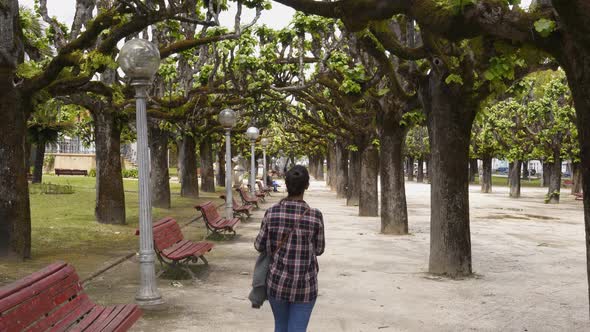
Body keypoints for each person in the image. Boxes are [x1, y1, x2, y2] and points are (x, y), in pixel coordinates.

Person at [255, 165, 325, 332]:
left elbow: (259, 245)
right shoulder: (315, 215)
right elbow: (319, 249)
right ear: (306, 185)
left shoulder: (272, 213)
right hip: (305, 285)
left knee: (280, 326)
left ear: (286, 185)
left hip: (277, 283)